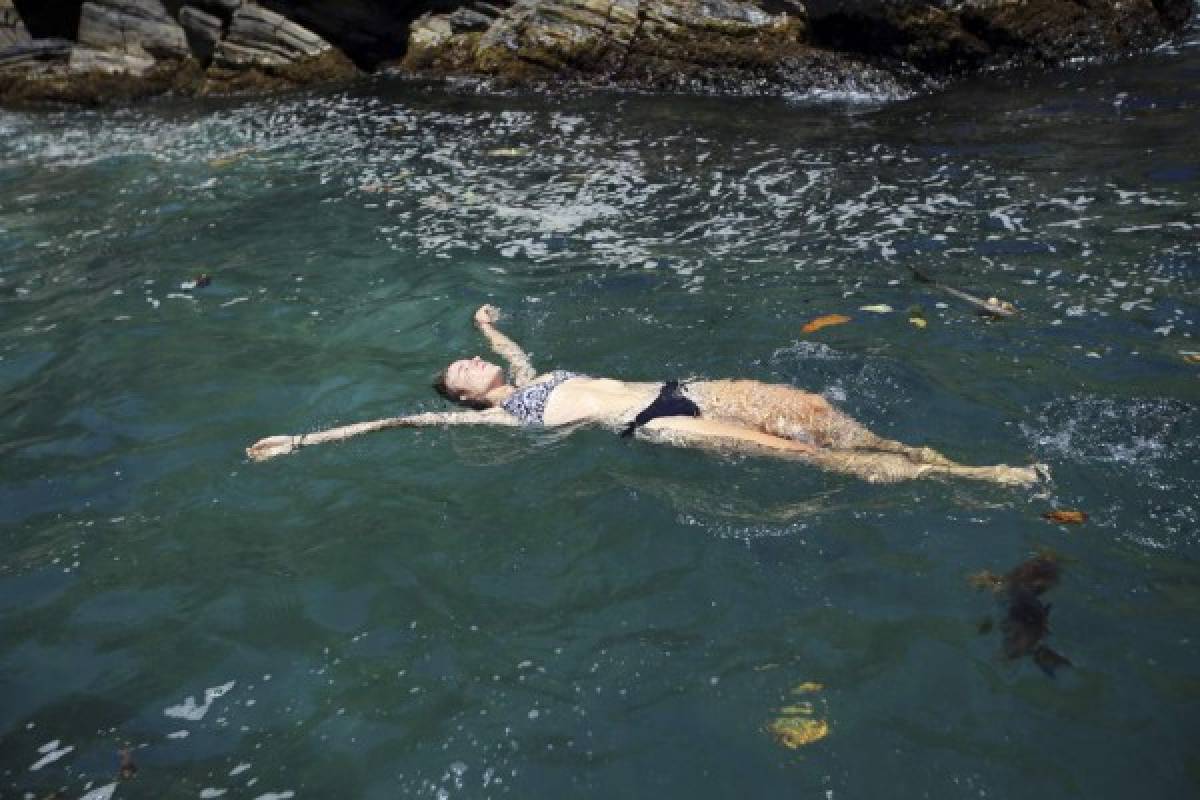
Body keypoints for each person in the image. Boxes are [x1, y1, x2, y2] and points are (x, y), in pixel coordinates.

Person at [246, 305, 1046, 486]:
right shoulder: (504, 416)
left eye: (466, 359)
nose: (469, 364)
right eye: (461, 371)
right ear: (464, 401)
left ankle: (910, 452)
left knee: (807, 408)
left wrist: (485, 327)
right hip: (653, 426)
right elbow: (390, 421)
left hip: (680, 388)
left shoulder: (525, 378)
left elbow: (514, 351)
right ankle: (968, 477)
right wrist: (303, 441)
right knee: (800, 455)